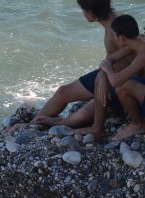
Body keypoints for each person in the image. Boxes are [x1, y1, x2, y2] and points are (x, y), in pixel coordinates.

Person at [30, 0, 133, 129]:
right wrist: (102, 74)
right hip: (110, 73)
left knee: (81, 116)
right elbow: (116, 55)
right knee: (63, 92)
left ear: (90, 12)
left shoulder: (116, 29)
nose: (83, 13)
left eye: (83, 10)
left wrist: (105, 78)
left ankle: (55, 123)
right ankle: (31, 125)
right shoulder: (116, 19)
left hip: (121, 82)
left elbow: (135, 49)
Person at [95, 14, 145, 140]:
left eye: (114, 35)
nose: (113, 39)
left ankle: (137, 124)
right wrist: (102, 76)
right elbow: (110, 59)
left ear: (122, 38)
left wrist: (107, 70)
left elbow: (116, 81)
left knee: (123, 86)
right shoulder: (138, 42)